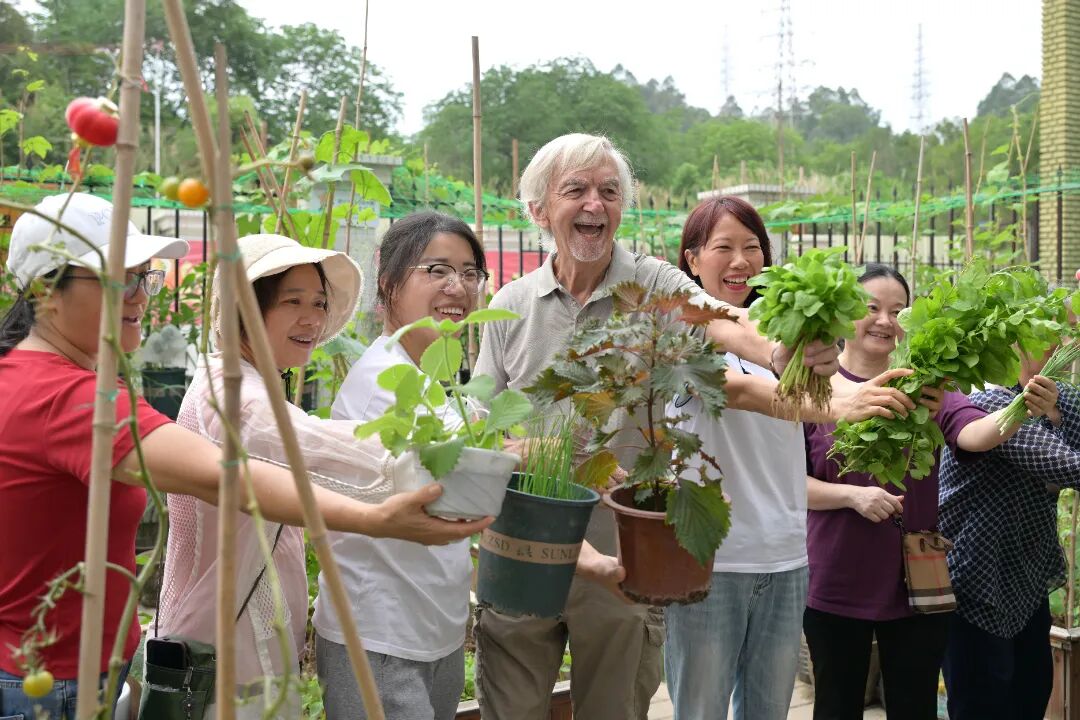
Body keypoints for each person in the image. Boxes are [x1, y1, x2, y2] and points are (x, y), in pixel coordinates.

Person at [0, 194, 488, 719]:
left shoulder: (51, 377)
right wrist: (388, 507)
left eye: (144, 277)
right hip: (74, 673)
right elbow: (233, 476)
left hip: (84, 665)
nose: (140, 295)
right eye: (120, 279)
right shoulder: (86, 395)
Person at [472, 134, 842, 720]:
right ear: (539, 210)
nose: (595, 204)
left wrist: (780, 351)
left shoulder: (654, 284)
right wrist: (527, 447)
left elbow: (724, 322)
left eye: (609, 191)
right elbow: (481, 422)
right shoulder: (509, 305)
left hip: (621, 549)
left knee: (614, 708)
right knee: (510, 708)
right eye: (576, 190)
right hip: (525, 539)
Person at [158, 233, 461, 716]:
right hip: (226, 645)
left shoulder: (238, 380)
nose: (312, 319)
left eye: (319, 303)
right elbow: (324, 454)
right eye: (292, 302)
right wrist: (463, 452)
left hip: (238, 634)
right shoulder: (237, 396)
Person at [664, 197, 917, 720]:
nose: (741, 261)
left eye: (752, 247)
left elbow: (825, 384)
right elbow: (739, 391)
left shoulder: (780, 331)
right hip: (710, 558)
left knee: (768, 711)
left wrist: (859, 386)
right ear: (692, 259)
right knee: (701, 710)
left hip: (784, 555)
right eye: (724, 247)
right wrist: (843, 403)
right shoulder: (679, 327)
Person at [803, 264, 1059, 720]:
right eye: (871, 308)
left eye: (897, 311)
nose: (885, 321)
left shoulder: (925, 387)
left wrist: (1020, 408)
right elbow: (789, 484)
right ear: (844, 315)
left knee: (915, 706)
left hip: (917, 582)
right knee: (836, 706)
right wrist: (851, 497)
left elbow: (975, 434)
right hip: (835, 574)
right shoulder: (812, 389)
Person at [313, 212, 488, 720]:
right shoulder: (383, 381)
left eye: (470, 272)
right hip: (382, 635)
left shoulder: (423, 373)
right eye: (437, 270)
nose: (457, 286)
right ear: (389, 284)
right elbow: (460, 476)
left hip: (430, 628)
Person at [938, 342, 1080, 720]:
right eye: (1038, 337)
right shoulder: (982, 401)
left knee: (1031, 694)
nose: (1054, 345)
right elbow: (1066, 465)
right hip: (975, 581)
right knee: (981, 704)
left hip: (1026, 580)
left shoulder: (1053, 397)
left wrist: (1056, 411)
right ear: (1009, 345)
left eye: (1056, 334)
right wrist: (1054, 412)